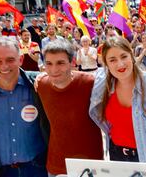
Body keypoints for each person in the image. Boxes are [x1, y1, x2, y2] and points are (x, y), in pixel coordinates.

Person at [0, 37, 49, 177]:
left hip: (38, 169)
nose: (4, 66)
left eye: (10, 60)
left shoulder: (39, 85)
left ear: (21, 59)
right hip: (1, 172)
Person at [89, 36, 146, 163]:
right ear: (106, 64)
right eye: (112, 60)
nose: (120, 64)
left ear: (132, 56)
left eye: (124, 56)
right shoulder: (102, 86)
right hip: (116, 155)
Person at [37, 40, 103, 176]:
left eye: (60, 63)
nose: (54, 69)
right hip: (56, 165)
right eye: (49, 63)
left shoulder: (91, 83)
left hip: (90, 165)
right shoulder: (41, 85)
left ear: (72, 62)